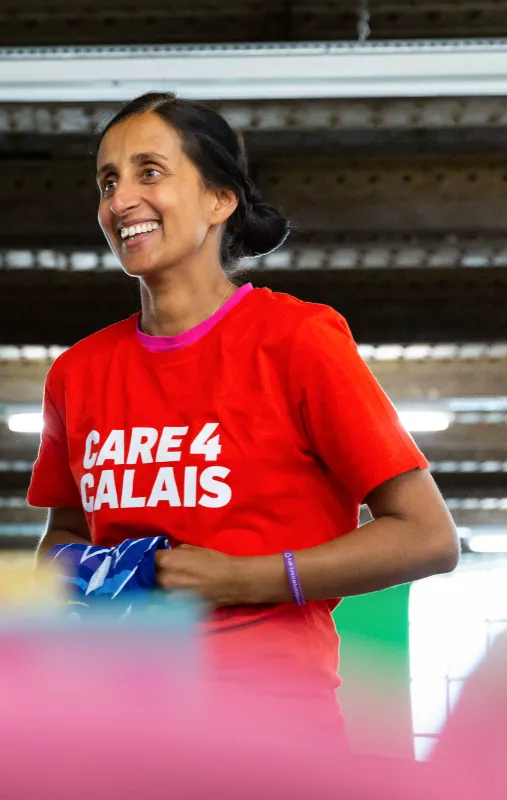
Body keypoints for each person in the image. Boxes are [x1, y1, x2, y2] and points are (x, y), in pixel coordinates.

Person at [27, 92, 460, 742]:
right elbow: (64, 534)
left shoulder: (297, 340)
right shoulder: (76, 373)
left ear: (219, 199)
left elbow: (427, 536)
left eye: (150, 172)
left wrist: (243, 578)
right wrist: (79, 587)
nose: (120, 201)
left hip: (271, 730)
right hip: (118, 727)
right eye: (108, 182)